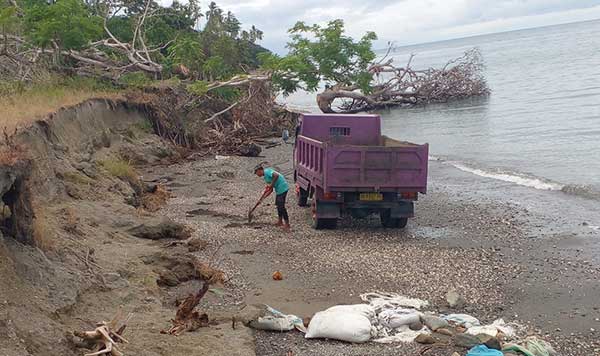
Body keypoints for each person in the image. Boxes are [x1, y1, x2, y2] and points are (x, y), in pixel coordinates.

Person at [254, 164, 290, 231]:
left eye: (257, 173)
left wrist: (271, 184)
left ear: (260, 170)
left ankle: (287, 224)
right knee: (278, 205)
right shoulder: (265, 177)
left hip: (283, 188)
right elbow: (270, 190)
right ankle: (280, 222)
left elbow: (276, 175)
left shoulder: (267, 171)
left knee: (281, 206)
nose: (257, 175)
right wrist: (263, 198)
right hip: (278, 191)